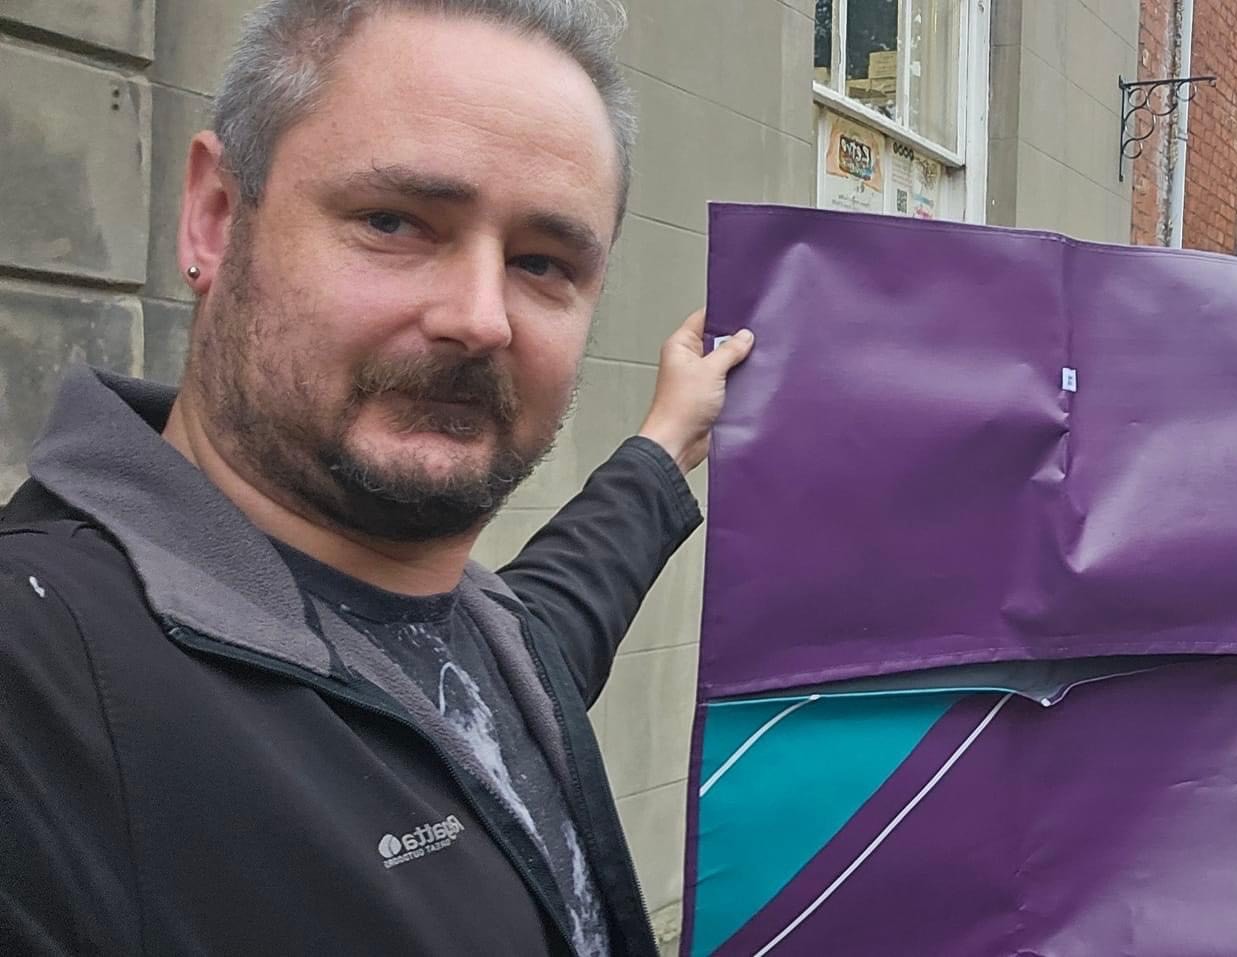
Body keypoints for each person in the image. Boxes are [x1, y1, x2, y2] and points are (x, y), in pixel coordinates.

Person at [0, 1, 752, 954]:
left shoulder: (489, 641)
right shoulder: (38, 687)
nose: (482, 318)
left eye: (542, 262)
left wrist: (665, 439)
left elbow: (553, 620)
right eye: (394, 221)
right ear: (216, 216)